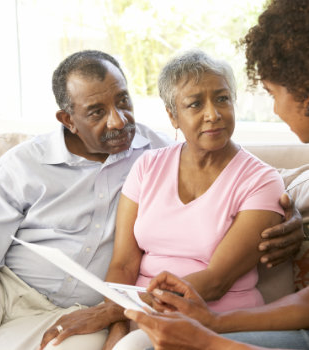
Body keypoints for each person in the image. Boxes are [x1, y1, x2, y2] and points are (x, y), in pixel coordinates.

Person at [0, 50, 302, 350]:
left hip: (140, 310)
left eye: (123, 101)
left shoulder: (155, 151)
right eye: (96, 111)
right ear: (68, 120)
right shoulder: (30, 163)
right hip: (7, 289)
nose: (118, 121)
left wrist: (293, 214)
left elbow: (218, 272)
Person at [124, 0, 309, 349]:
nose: (213, 114)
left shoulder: (258, 178)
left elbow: (218, 282)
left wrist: (208, 335)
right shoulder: (149, 165)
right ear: (172, 115)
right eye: (195, 104)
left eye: (272, 92)